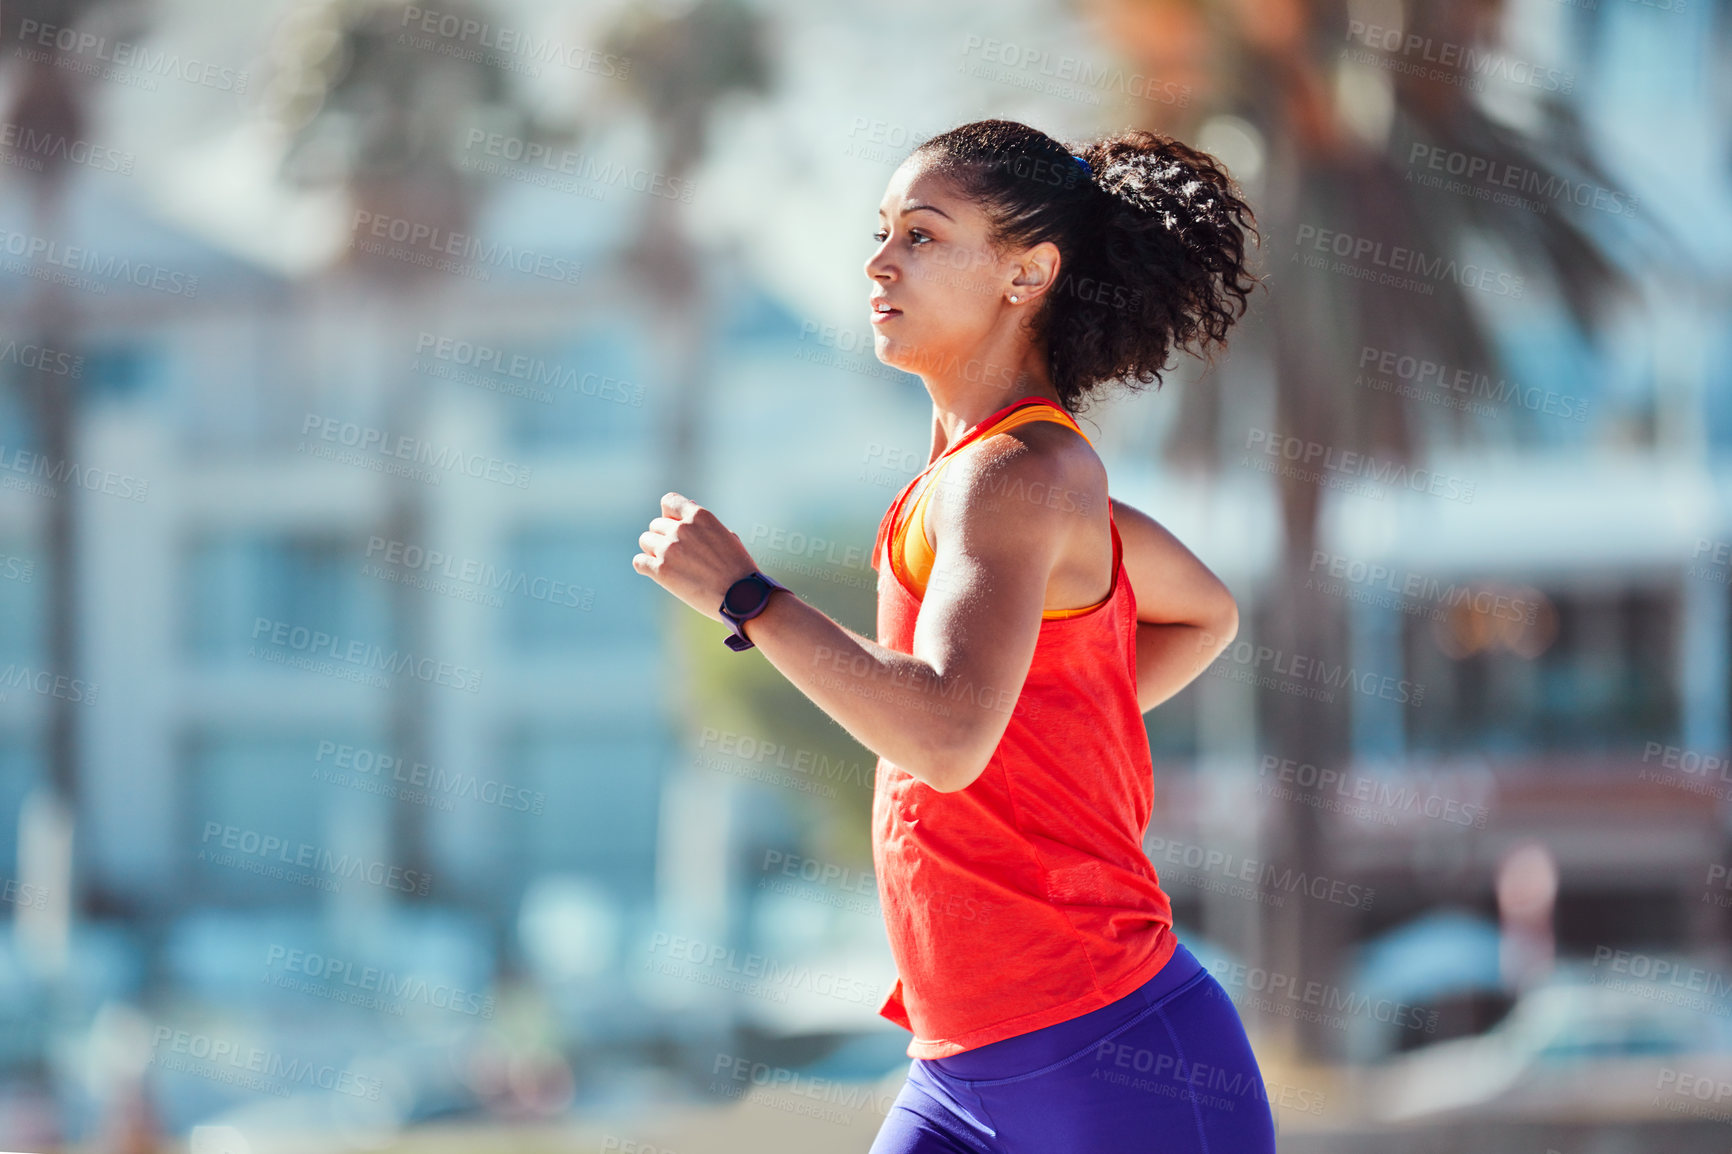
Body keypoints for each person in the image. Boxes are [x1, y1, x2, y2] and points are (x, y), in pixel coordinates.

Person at [632, 118, 1271, 1152]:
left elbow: (941, 736)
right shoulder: (989, 478)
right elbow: (1204, 610)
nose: (879, 261)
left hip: (1112, 1054)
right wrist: (1040, 722)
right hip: (961, 1069)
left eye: (921, 235)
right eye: (881, 232)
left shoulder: (1013, 475)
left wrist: (748, 598)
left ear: (1029, 273)